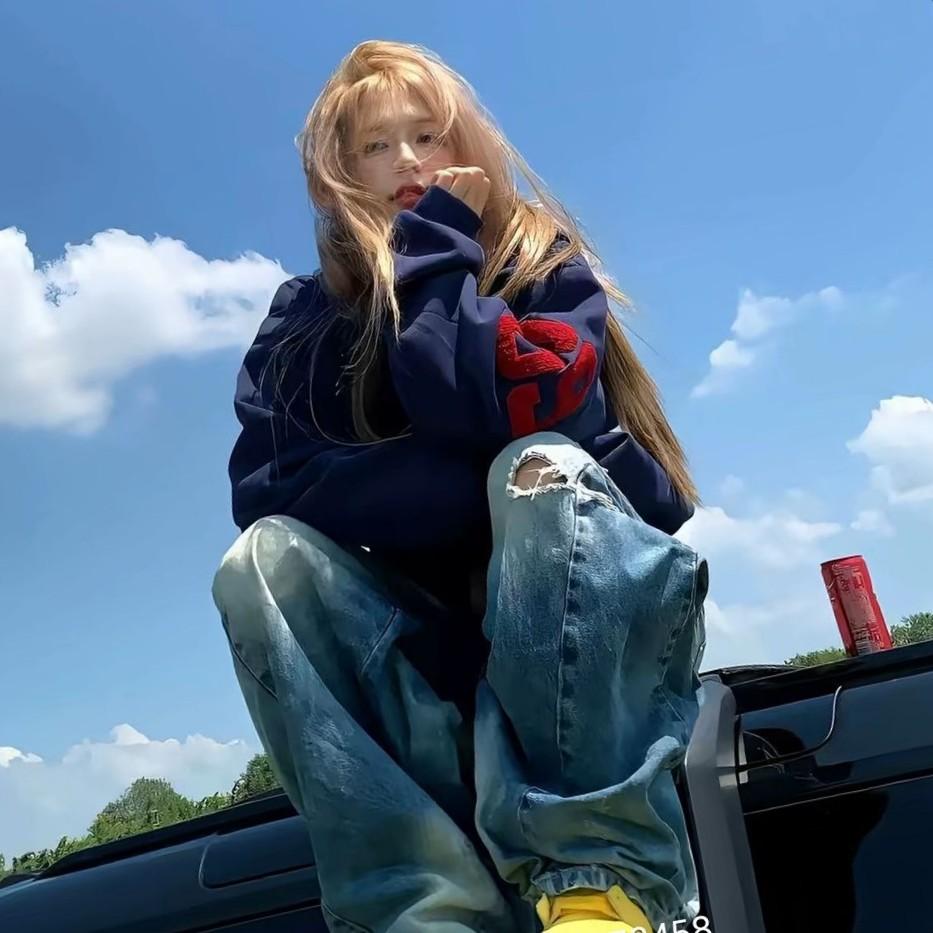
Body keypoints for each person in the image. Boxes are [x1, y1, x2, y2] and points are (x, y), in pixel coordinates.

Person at [211, 39, 708, 933]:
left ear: (468, 143)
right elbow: (267, 488)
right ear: (338, 174)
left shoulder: (542, 268)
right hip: (419, 645)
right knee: (263, 560)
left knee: (541, 468)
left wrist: (436, 250)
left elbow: (490, 404)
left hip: (581, 648)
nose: (407, 161)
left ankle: (596, 883)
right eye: (375, 146)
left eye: (427, 135)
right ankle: (419, 910)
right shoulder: (302, 315)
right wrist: (470, 473)